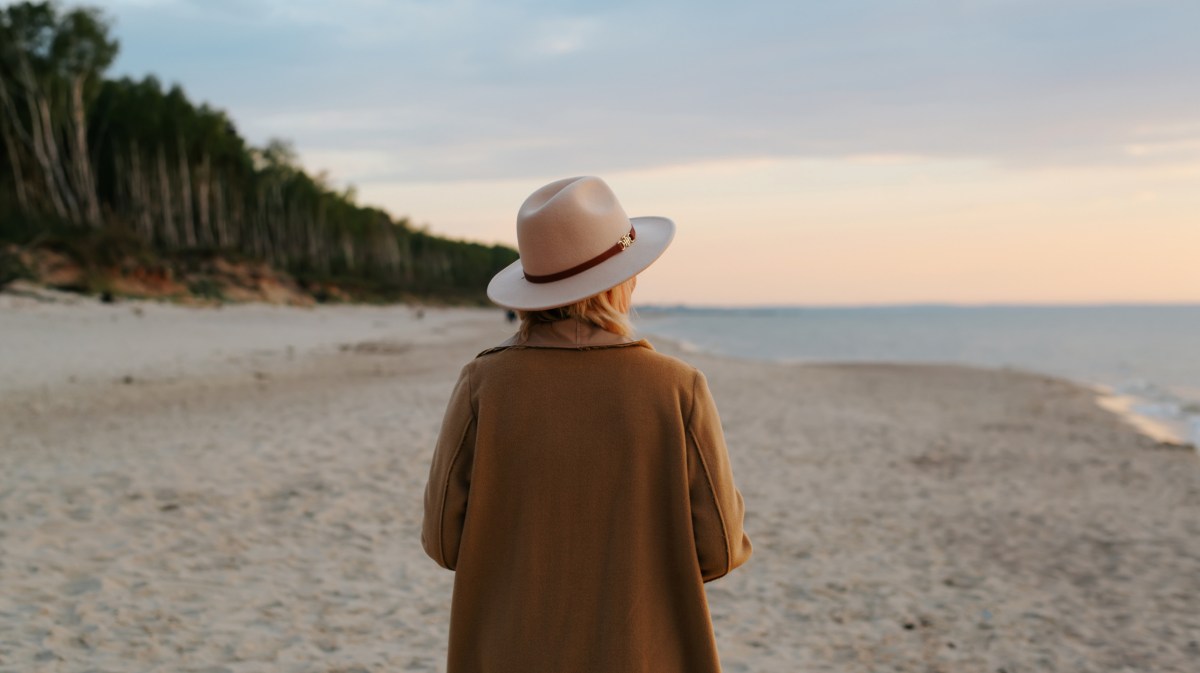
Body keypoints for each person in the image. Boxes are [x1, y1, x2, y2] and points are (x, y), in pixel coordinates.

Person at [421, 176, 752, 673]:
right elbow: (720, 551)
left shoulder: (483, 385)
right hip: (640, 652)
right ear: (622, 282)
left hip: (509, 651)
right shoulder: (677, 387)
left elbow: (444, 542)